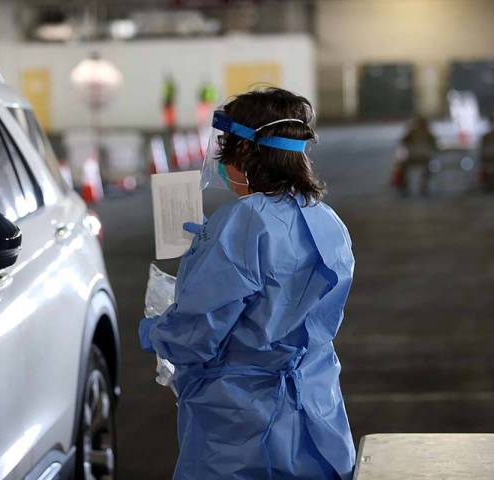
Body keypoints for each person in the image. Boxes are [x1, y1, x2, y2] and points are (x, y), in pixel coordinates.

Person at [139, 88, 356, 480]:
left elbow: (197, 335)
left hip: (241, 427)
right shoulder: (327, 220)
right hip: (315, 409)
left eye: (226, 147)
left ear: (247, 154)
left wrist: (158, 332)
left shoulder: (241, 223)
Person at [398, 115, 438, 195]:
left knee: (430, 166)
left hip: (419, 157)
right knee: (402, 166)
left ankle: (419, 186)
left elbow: (403, 142)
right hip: (417, 157)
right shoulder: (414, 132)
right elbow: (435, 145)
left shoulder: (426, 133)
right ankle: (408, 186)